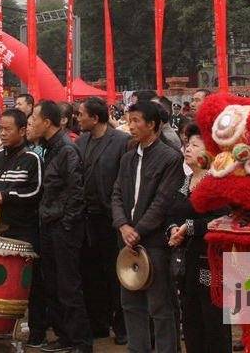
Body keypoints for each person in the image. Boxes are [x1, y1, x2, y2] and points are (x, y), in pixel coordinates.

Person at [112, 100, 183, 353]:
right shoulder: (129, 157)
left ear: (152, 124)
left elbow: (163, 202)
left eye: (136, 121)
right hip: (127, 240)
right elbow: (117, 194)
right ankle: (137, 348)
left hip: (154, 242)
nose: (130, 126)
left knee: (160, 306)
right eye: (129, 120)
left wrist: (138, 230)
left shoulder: (170, 158)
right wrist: (122, 225)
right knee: (130, 303)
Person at [0, 108, 47, 348]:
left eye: (9, 129)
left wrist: (5, 195)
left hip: (24, 229)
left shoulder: (33, 158)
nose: (4, 133)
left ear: (22, 131)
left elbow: (35, 190)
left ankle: (37, 331)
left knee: (30, 282)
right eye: (2, 128)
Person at [30, 100, 92, 353]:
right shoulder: (47, 148)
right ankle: (65, 337)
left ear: (47, 122)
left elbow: (77, 192)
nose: (31, 122)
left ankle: (81, 342)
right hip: (48, 224)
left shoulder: (67, 149)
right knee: (53, 284)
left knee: (68, 286)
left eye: (34, 118)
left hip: (64, 228)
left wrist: (66, 224)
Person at [166, 123, 232, 353]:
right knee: (191, 318)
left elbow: (222, 220)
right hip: (187, 262)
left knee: (213, 318)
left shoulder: (216, 183)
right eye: (186, 144)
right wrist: (174, 229)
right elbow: (173, 212)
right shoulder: (185, 182)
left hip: (211, 261)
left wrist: (189, 227)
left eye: (195, 145)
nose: (187, 149)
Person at [75, 97, 128, 345]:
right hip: (86, 218)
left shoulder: (121, 142)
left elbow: (123, 181)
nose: (78, 118)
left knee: (114, 273)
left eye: (81, 114)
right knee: (91, 273)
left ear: (95, 118)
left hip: (112, 219)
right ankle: (99, 322)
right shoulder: (81, 141)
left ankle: (122, 326)